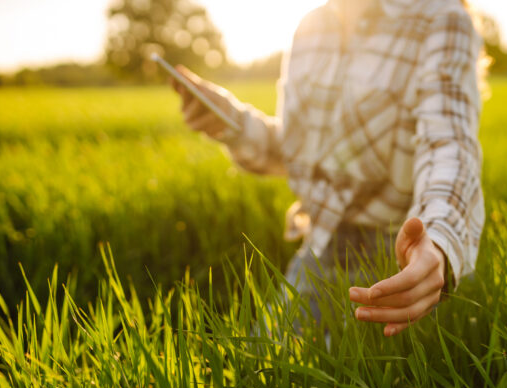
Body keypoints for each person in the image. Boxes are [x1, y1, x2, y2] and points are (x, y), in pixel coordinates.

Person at [170, 0, 485, 337]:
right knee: (259, 375)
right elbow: (300, 151)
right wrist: (230, 122)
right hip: (318, 250)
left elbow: (447, 147)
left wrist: (436, 240)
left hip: (397, 265)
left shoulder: (441, 18)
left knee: (376, 386)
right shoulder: (311, 26)